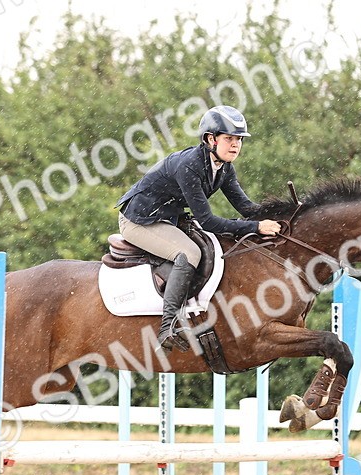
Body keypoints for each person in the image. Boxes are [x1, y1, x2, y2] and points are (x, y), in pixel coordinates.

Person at [115, 105, 282, 350]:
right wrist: (256, 227)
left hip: (166, 218)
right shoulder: (190, 166)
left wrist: (285, 214)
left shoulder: (224, 168)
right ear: (211, 139)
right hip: (138, 221)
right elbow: (208, 222)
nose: (235, 145)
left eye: (239, 140)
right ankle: (167, 327)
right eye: (229, 139)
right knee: (190, 253)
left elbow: (246, 208)